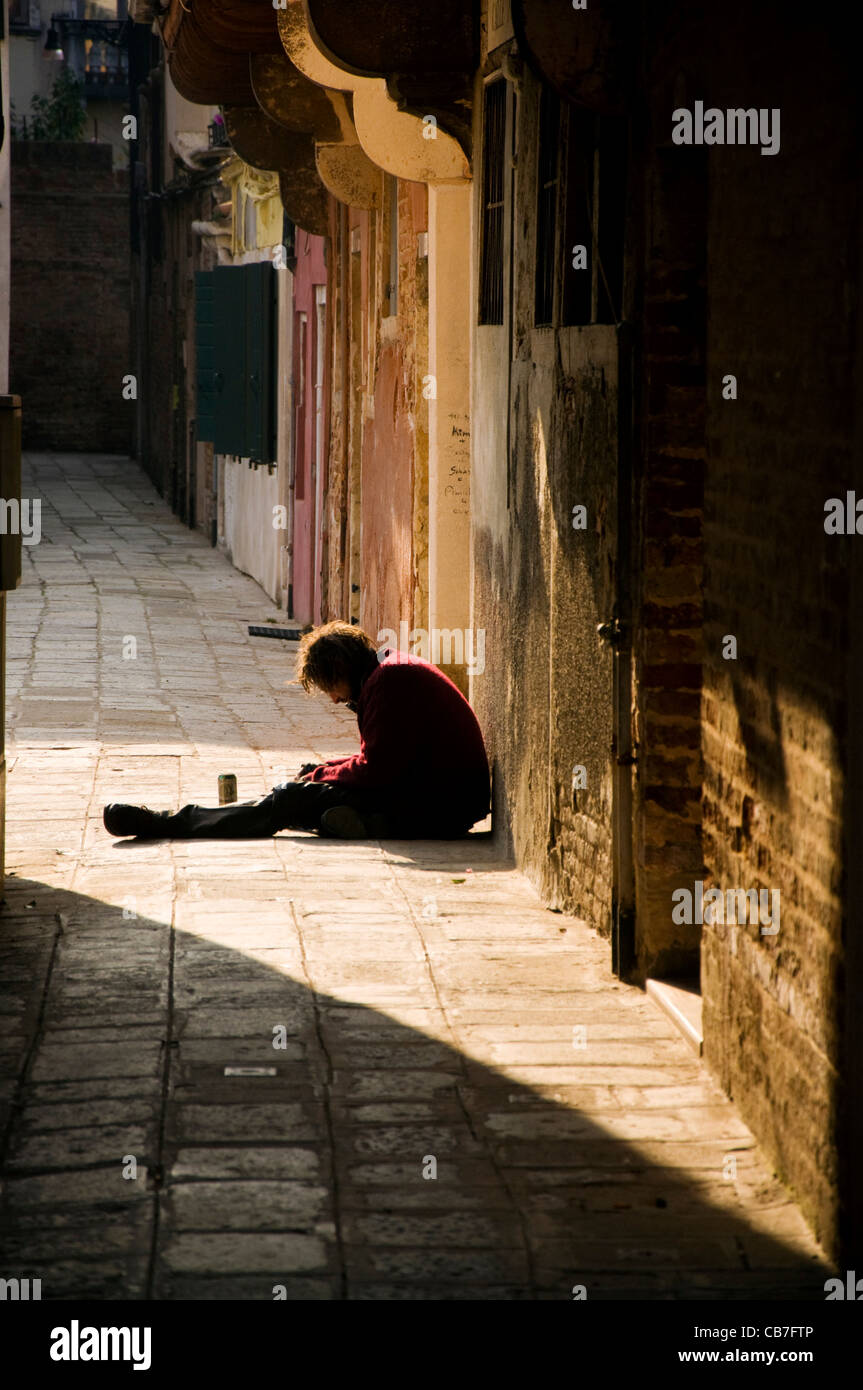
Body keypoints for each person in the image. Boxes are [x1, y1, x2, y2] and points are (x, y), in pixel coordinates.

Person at [102, 621, 491, 841]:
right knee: (306, 790)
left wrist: (322, 774)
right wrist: (324, 768)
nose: (336, 701)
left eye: (331, 690)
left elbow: (377, 769)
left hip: (436, 807)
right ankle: (358, 821)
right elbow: (383, 756)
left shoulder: (389, 683)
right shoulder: (388, 673)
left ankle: (169, 822)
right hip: (438, 797)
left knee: (290, 797)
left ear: (339, 669)